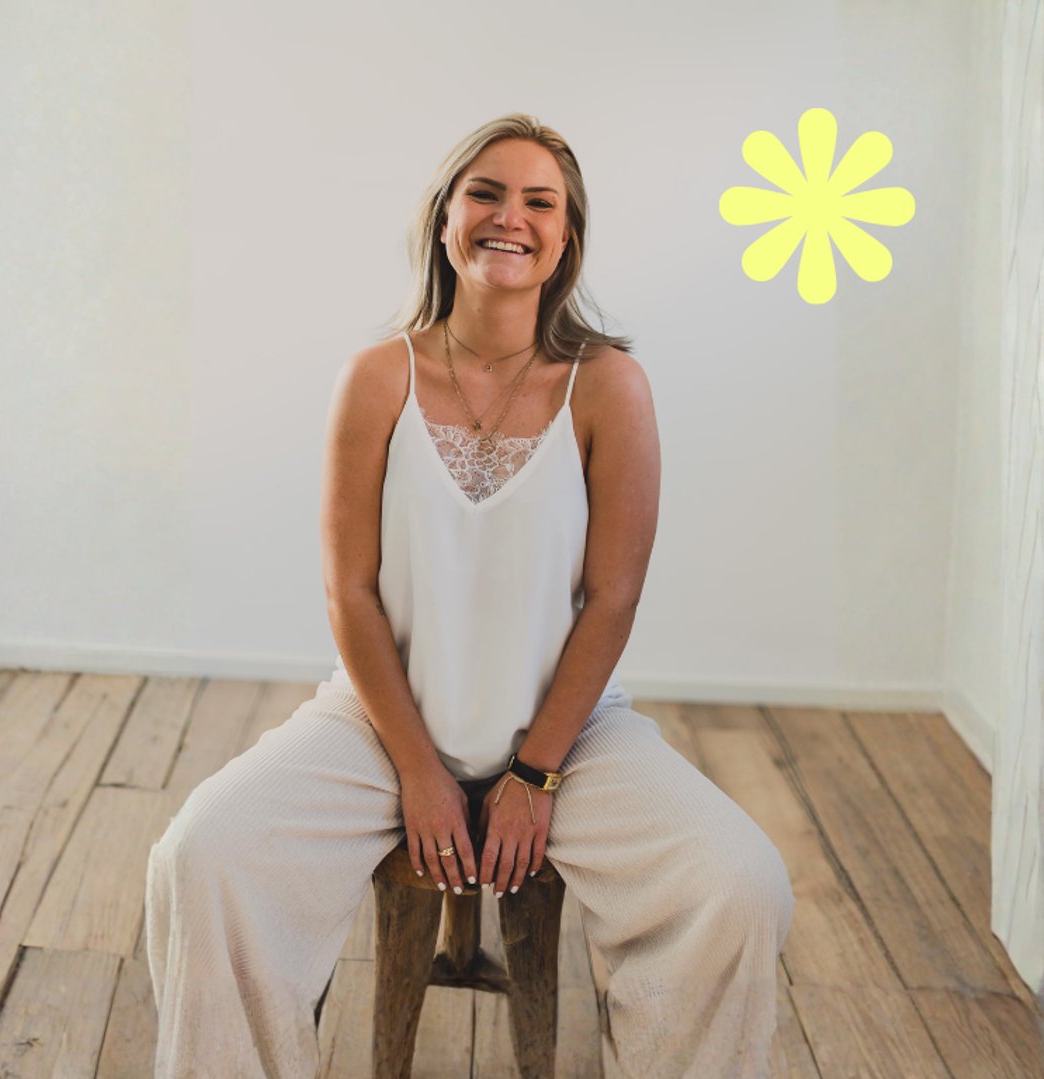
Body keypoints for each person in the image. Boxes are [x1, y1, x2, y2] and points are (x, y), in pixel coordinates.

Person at [144, 114, 795, 1078]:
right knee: (199, 855)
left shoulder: (609, 386)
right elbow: (351, 592)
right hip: (382, 723)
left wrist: (533, 776)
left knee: (742, 882)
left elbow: (612, 598)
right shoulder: (377, 379)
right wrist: (417, 767)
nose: (511, 217)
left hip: (570, 735)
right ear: (444, 220)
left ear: (566, 236)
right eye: (486, 193)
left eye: (541, 201)